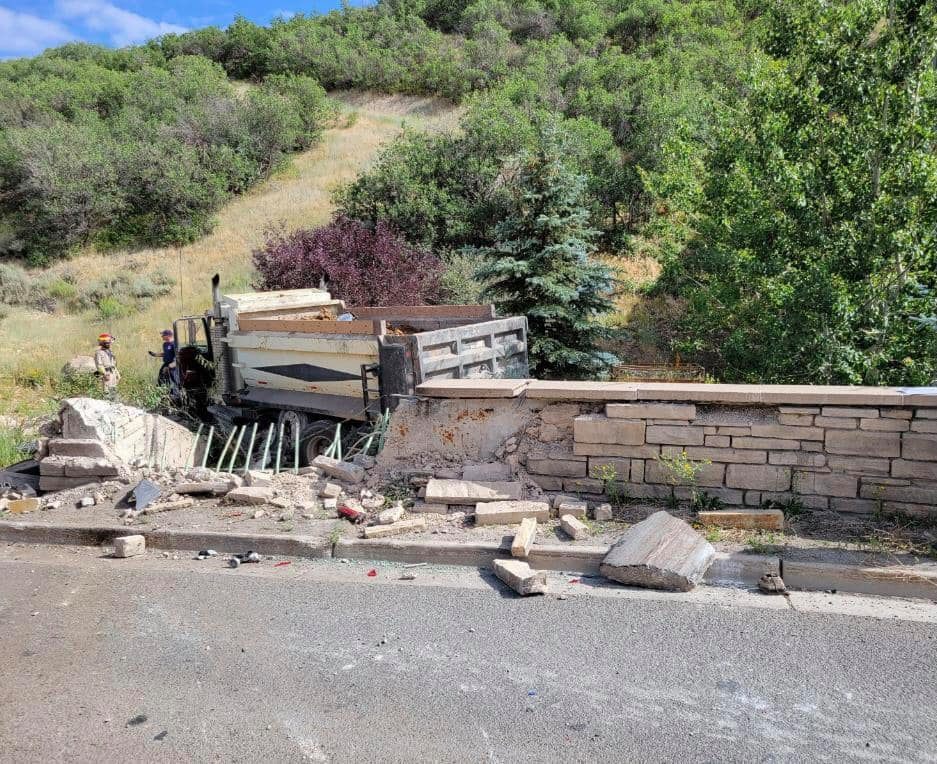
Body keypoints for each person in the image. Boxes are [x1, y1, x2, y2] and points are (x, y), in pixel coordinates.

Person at [94, 333, 119, 398]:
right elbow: (99, 365)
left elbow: (113, 364)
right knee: (106, 391)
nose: (109, 344)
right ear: (102, 343)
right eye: (107, 343)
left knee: (114, 390)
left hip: (112, 372)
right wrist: (104, 374)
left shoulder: (110, 352)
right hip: (106, 373)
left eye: (109, 343)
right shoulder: (99, 352)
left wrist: (117, 373)